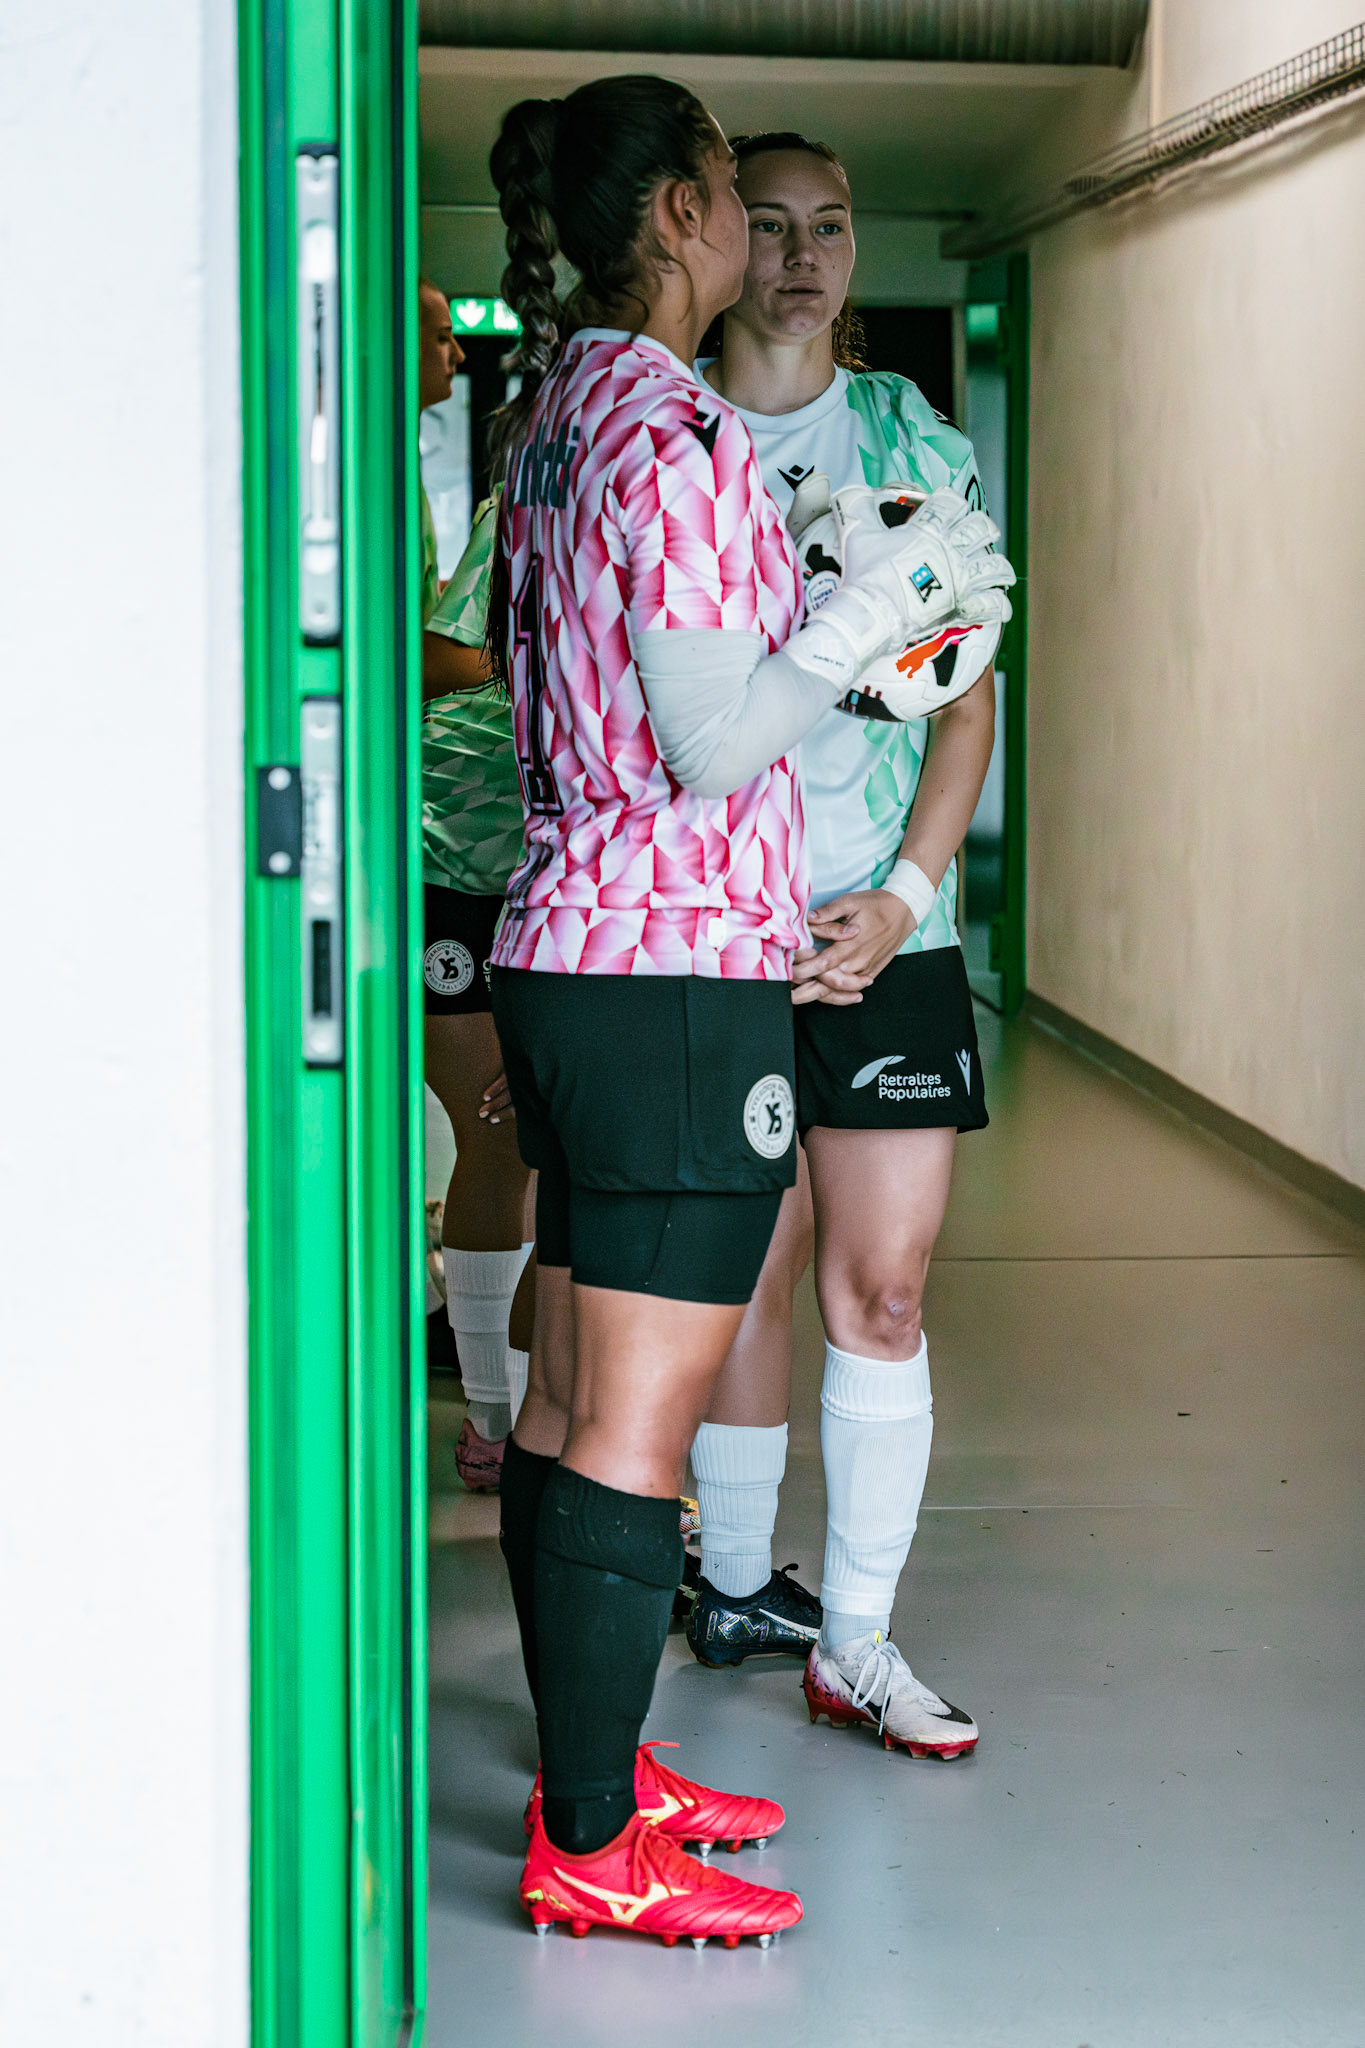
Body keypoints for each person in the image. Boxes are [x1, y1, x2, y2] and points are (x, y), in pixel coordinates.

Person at [482, 77, 1002, 1945]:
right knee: (630, 1422)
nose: (767, 239)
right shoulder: (677, 431)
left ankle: (597, 1778)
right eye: (740, 203)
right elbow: (714, 740)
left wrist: (856, 619)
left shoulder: (563, 408)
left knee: (567, 1405)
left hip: (577, 945)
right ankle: (596, 1835)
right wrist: (867, 621)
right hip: (673, 967)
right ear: (692, 213)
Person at [683, 133, 1006, 1764]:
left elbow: (965, 692)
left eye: (832, 227)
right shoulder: (666, 433)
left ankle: (861, 1639)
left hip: (887, 925)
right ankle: (736, 1580)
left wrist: (902, 888)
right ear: (717, 238)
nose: (804, 256)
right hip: (703, 927)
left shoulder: (905, 439)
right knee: (738, 1264)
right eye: (772, 226)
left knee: (882, 1279)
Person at [419, 282, 533, 1490]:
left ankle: (539, 1410)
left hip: (559, 882)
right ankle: (496, 1417)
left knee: (544, 1150)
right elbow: (416, 653)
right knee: (493, 1144)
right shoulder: (516, 514)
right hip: (454, 864)